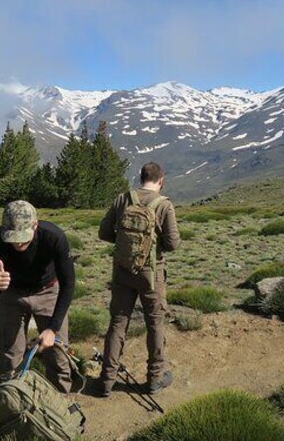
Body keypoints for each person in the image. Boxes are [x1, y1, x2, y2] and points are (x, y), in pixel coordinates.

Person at [96, 162, 181, 396]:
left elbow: (104, 232)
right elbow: (173, 243)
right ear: (161, 180)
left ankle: (106, 381)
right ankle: (154, 378)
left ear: (140, 177)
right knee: (155, 323)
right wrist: (150, 249)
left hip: (123, 270)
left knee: (118, 323)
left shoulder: (122, 199)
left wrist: (127, 247)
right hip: (152, 275)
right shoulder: (164, 204)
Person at [0, 200, 75, 393]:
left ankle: (61, 407)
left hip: (48, 292)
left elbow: (68, 284)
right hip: (11, 295)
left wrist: (52, 329)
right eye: (12, 238)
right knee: (9, 358)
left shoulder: (53, 237)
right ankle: (13, 408)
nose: (18, 243)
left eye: (24, 237)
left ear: (35, 225)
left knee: (58, 354)